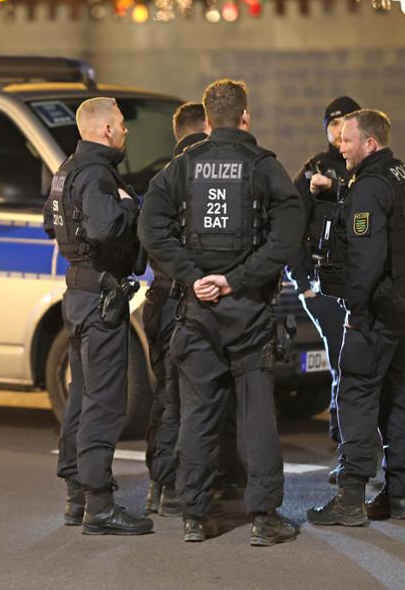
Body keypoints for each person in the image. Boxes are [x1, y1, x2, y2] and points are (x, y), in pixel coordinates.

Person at [139, 79, 303, 546]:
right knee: (256, 415)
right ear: (245, 118)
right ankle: (265, 517)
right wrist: (240, 277)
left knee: (197, 412)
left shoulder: (183, 166)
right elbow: (288, 231)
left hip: (198, 309)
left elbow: (151, 225)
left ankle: (194, 514)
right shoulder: (263, 166)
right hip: (248, 309)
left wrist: (192, 275)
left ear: (207, 122)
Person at [308, 110, 405, 526]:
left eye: (346, 140)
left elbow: (366, 259)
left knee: (356, 396)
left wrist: (356, 310)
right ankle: (399, 496)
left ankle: (351, 497)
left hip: (376, 311)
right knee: (394, 395)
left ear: (370, 145)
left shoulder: (371, 189)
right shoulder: (404, 176)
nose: (340, 147)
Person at [44, 96, 153, 536]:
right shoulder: (96, 175)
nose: (126, 131)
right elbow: (105, 227)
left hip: (79, 294)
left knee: (82, 397)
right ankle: (99, 506)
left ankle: (76, 496)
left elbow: (50, 224)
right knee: (105, 405)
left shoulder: (67, 169)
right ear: (106, 129)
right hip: (101, 297)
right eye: (123, 124)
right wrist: (130, 205)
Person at [288, 96, 361, 478]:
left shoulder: (367, 169)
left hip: (361, 284)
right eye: (332, 124)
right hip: (327, 286)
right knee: (342, 361)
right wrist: (303, 284)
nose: (338, 131)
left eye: (346, 122)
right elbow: (292, 227)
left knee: (364, 363)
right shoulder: (314, 170)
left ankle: (367, 439)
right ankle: (344, 437)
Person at [143, 102, 207, 517]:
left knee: (167, 396)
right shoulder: (196, 177)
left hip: (159, 299)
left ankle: (159, 485)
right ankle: (173, 487)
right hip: (183, 299)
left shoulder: (160, 178)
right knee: (184, 397)